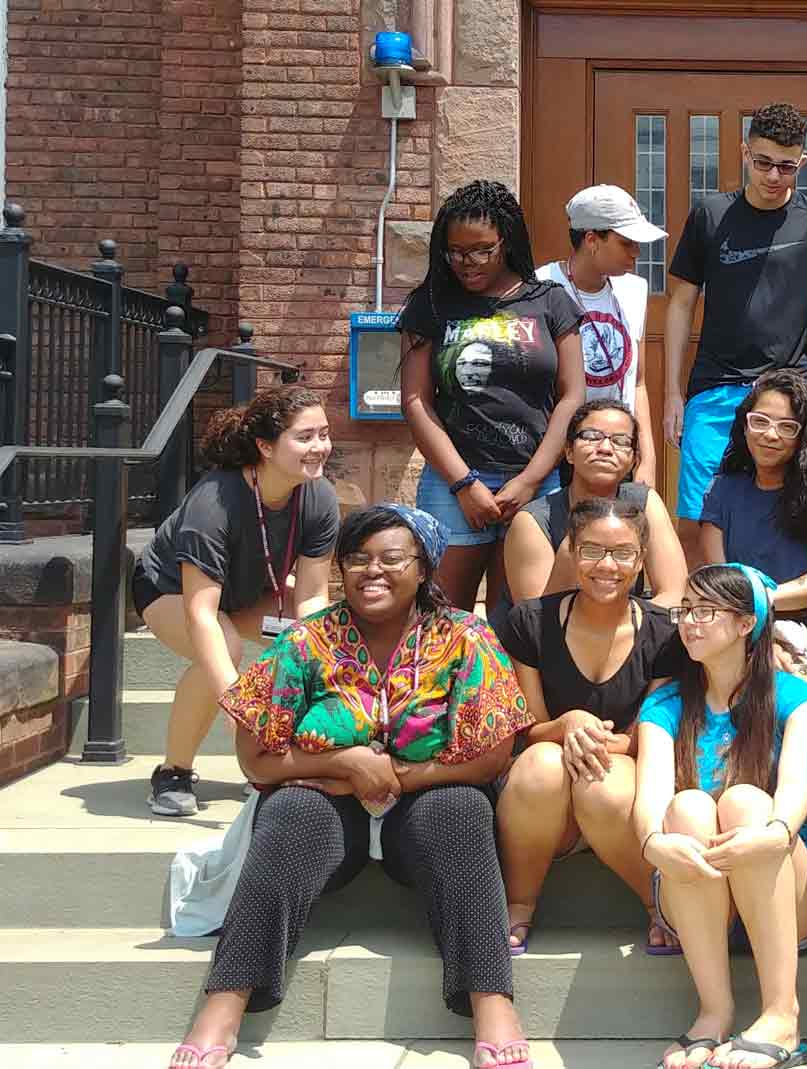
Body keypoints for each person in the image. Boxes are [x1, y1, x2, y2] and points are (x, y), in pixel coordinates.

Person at [167, 505, 534, 1069]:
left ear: (423, 568)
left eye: (391, 559)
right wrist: (349, 762)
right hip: (329, 812)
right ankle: (223, 1005)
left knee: (462, 809)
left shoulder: (466, 636)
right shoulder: (307, 641)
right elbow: (257, 762)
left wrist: (401, 777)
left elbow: (490, 757)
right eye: (357, 560)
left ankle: (492, 1001)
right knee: (289, 811)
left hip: (426, 809)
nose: (372, 572)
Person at [632, 564, 807, 1069]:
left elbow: (795, 793)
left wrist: (774, 835)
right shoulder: (666, 703)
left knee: (747, 803)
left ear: (746, 624)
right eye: (685, 610)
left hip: (783, 888)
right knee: (689, 806)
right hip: (697, 890)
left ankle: (783, 1013)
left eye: (705, 611)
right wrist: (655, 843)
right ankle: (713, 1012)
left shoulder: (795, 698)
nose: (689, 623)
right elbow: (649, 798)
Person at [493, 494, 688, 956]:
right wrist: (569, 725)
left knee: (599, 782)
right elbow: (525, 729)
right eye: (593, 551)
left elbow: (649, 737)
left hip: (621, 783)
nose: (607, 566)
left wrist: (593, 742)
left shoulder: (663, 632)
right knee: (541, 763)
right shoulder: (530, 622)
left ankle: (660, 903)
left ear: (641, 561)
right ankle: (519, 904)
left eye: (623, 554)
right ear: (572, 552)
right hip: (544, 800)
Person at [133, 384, 340, 817]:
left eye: (323, 434)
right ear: (265, 446)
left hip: (250, 589)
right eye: (305, 437)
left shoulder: (318, 495)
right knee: (224, 646)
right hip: (168, 589)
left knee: (308, 644)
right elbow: (202, 614)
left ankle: (283, 762)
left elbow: (312, 597)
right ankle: (173, 771)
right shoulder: (214, 504)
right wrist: (238, 705)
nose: (320, 447)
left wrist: (314, 657)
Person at [663, 102, 807, 563]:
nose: (774, 176)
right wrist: (671, 393)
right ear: (744, 153)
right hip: (714, 391)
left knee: (783, 512)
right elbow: (681, 303)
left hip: (788, 395)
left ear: (803, 162)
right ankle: (702, 615)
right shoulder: (710, 215)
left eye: (787, 167)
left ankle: (771, 618)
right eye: (763, 162)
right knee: (697, 517)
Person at [399, 179, 587, 612]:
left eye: (482, 250)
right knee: (442, 620)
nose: (468, 263)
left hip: (535, 483)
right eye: (456, 252)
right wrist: (465, 484)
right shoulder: (430, 305)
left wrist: (530, 480)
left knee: (522, 621)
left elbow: (572, 397)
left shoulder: (550, 302)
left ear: (507, 240)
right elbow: (415, 401)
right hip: (453, 486)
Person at [697, 370, 807, 675]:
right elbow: (718, 576)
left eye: (787, 427)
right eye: (760, 422)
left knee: (785, 687)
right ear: (745, 424)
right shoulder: (722, 489)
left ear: (805, 434)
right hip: (740, 630)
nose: (771, 434)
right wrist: (752, 616)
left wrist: (761, 598)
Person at [535, 184, 666, 487]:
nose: (636, 253)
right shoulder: (541, 286)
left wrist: (647, 458)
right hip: (561, 455)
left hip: (618, 450)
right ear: (592, 239)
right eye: (626, 243)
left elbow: (639, 383)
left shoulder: (634, 290)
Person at [503, 399, 688, 607]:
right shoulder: (533, 521)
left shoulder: (644, 503)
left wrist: (628, 627)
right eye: (591, 437)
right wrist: (571, 550)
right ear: (569, 452)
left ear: (633, 461)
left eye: (621, 441)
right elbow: (533, 620)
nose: (605, 448)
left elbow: (674, 596)